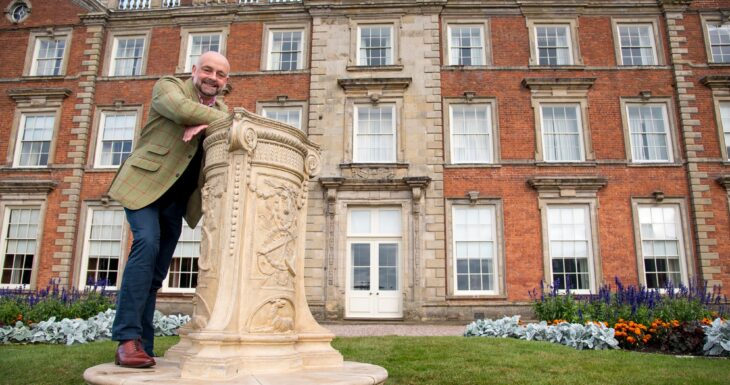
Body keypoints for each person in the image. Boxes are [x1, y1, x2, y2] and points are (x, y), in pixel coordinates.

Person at [107, 51, 231, 368]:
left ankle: (143, 345)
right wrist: (201, 119)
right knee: (145, 245)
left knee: (156, 274)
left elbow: (231, 129)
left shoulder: (221, 109)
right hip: (144, 187)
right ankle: (126, 340)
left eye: (220, 74)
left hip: (176, 201)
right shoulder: (169, 86)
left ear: (225, 81)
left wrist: (202, 122)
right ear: (194, 70)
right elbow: (179, 109)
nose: (212, 78)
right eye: (207, 70)